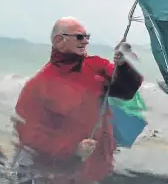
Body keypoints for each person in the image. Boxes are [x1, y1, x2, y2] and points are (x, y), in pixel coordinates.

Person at [14, 17, 143, 184]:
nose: (86, 41)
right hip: (58, 175)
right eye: (80, 37)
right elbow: (29, 136)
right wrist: (73, 149)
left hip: (99, 170)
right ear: (59, 40)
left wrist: (125, 64)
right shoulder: (37, 85)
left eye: (87, 36)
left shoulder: (98, 67)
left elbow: (126, 91)